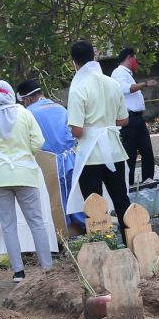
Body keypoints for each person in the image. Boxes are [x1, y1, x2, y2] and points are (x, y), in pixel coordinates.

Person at [0, 80, 56, 281]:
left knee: (8, 225)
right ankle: (47, 266)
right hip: (25, 174)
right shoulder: (25, 113)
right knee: (36, 221)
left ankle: (18, 272)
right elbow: (38, 141)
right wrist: (23, 155)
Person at [65, 40, 132, 238]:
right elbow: (124, 120)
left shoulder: (78, 87)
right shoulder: (112, 83)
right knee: (121, 199)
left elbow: (76, 130)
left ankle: (103, 242)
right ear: (94, 56)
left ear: (74, 62)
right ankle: (132, 239)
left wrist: (90, 128)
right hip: (114, 150)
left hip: (91, 154)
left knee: (94, 204)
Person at [17, 79, 79, 226]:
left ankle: (62, 232)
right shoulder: (60, 108)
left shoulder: (28, 113)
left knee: (54, 200)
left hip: (46, 163)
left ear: (27, 99)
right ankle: (83, 227)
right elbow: (72, 134)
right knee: (75, 196)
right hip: (70, 159)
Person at [111, 47, 158, 186]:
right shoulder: (119, 72)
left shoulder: (127, 73)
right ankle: (128, 184)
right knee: (130, 154)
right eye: (135, 58)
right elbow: (125, 89)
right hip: (129, 119)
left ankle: (148, 180)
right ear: (129, 58)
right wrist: (145, 84)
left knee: (147, 151)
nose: (136, 61)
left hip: (137, 118)